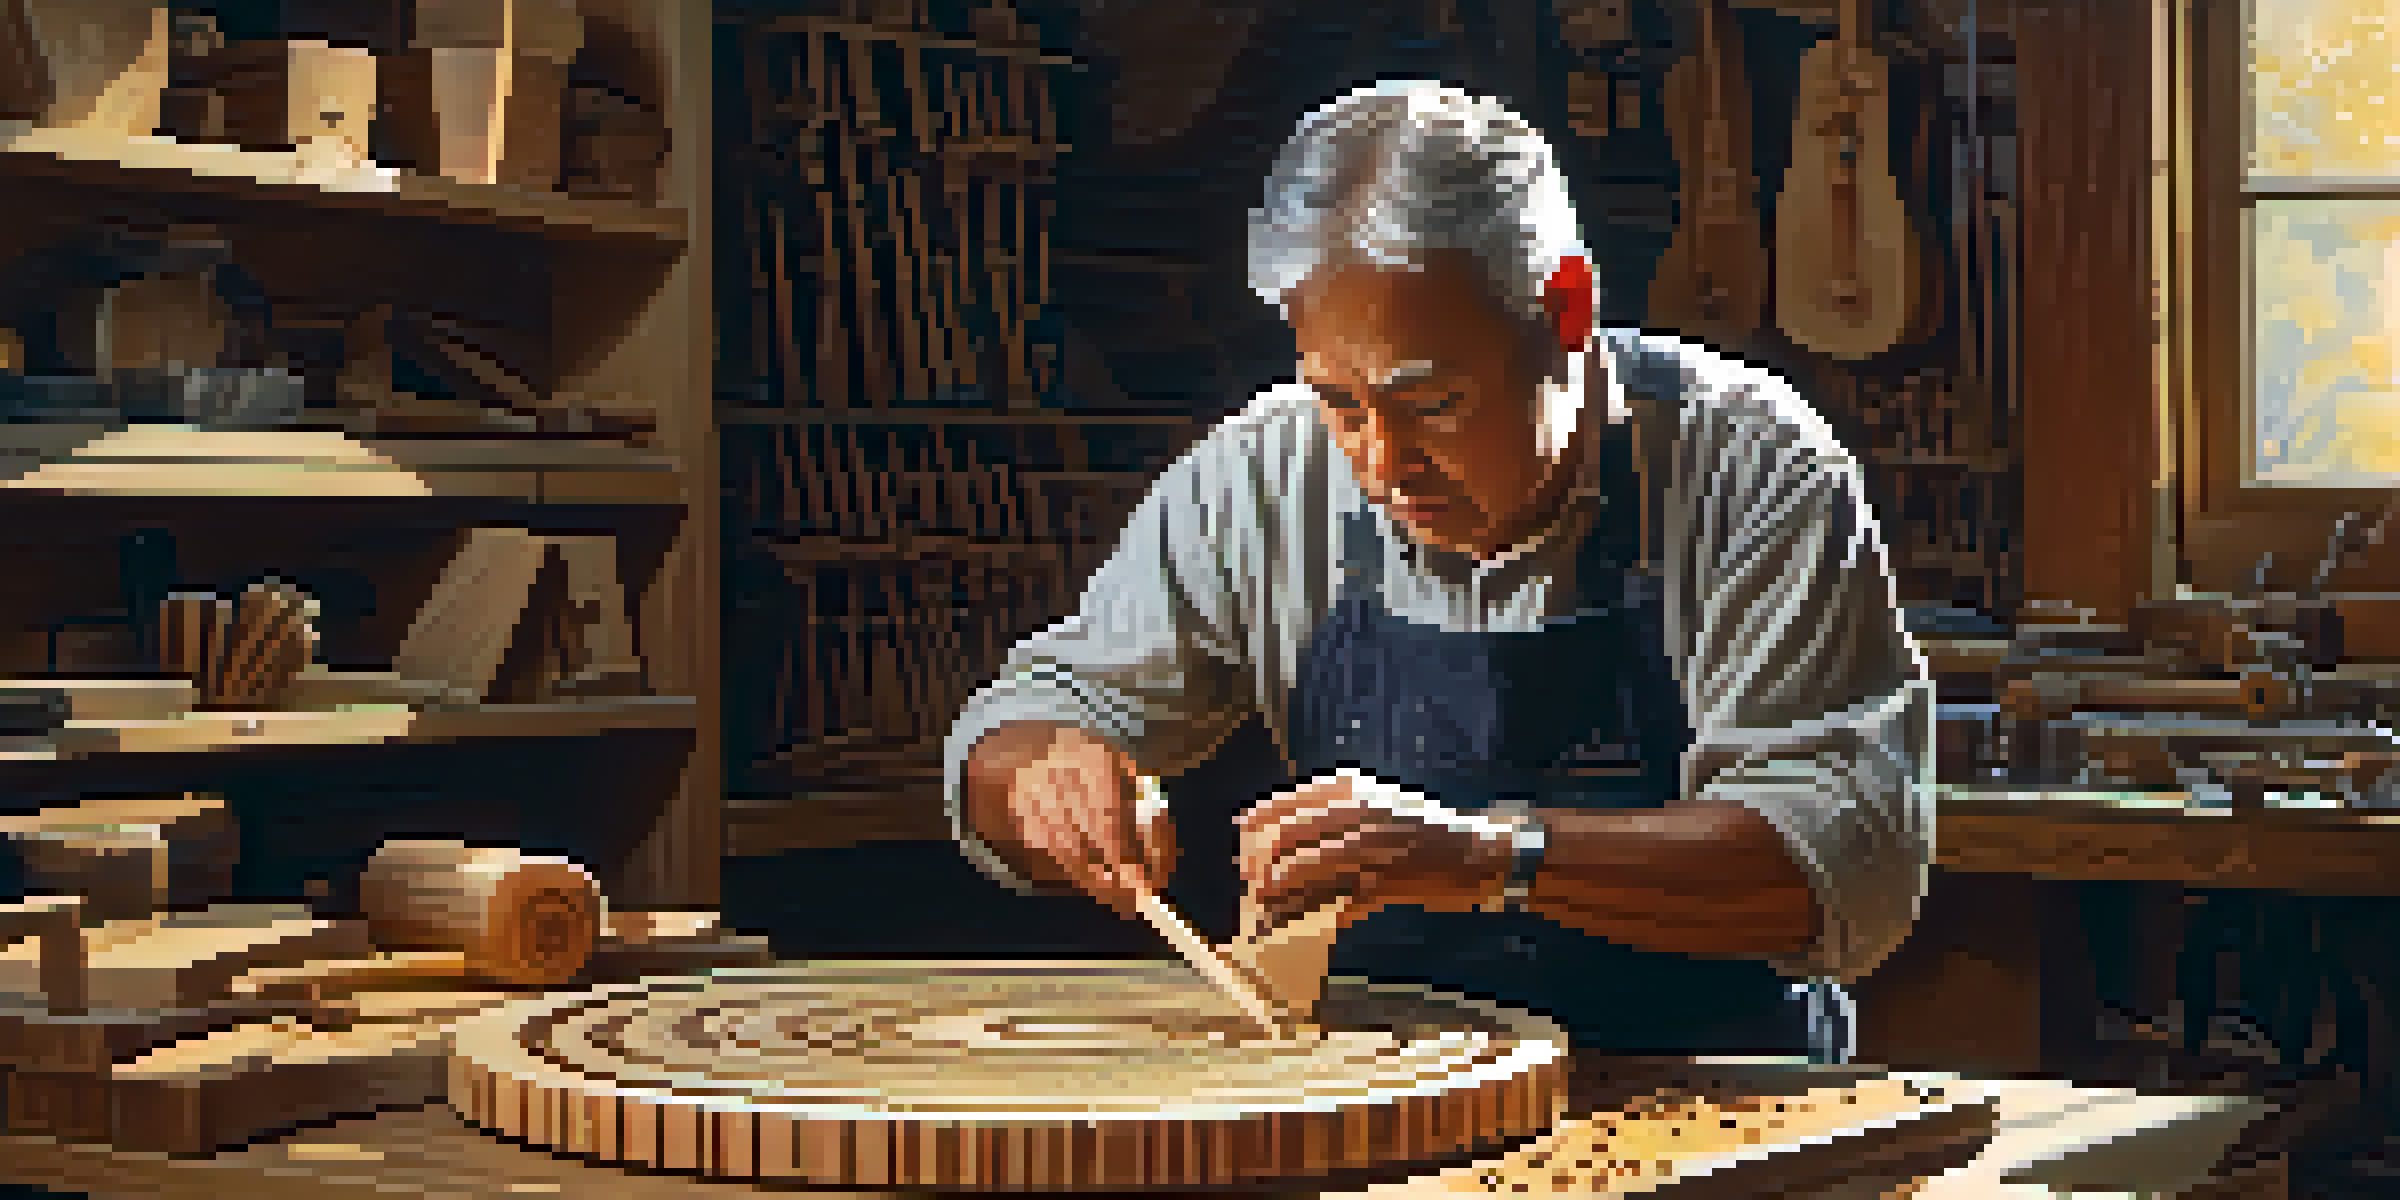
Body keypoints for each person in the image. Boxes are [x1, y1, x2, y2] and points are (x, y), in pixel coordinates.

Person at [943, 80, 1932, 1060]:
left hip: (1714, 1082)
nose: (1380, 463)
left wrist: (1491, 857)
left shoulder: (1753, 469)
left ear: (1567, 309)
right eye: (1341, 404)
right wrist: (1043, 776)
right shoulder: (1262, 474)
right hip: (1390, 1081)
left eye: (1433, 404)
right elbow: (1016, 729)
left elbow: (1843, 858)